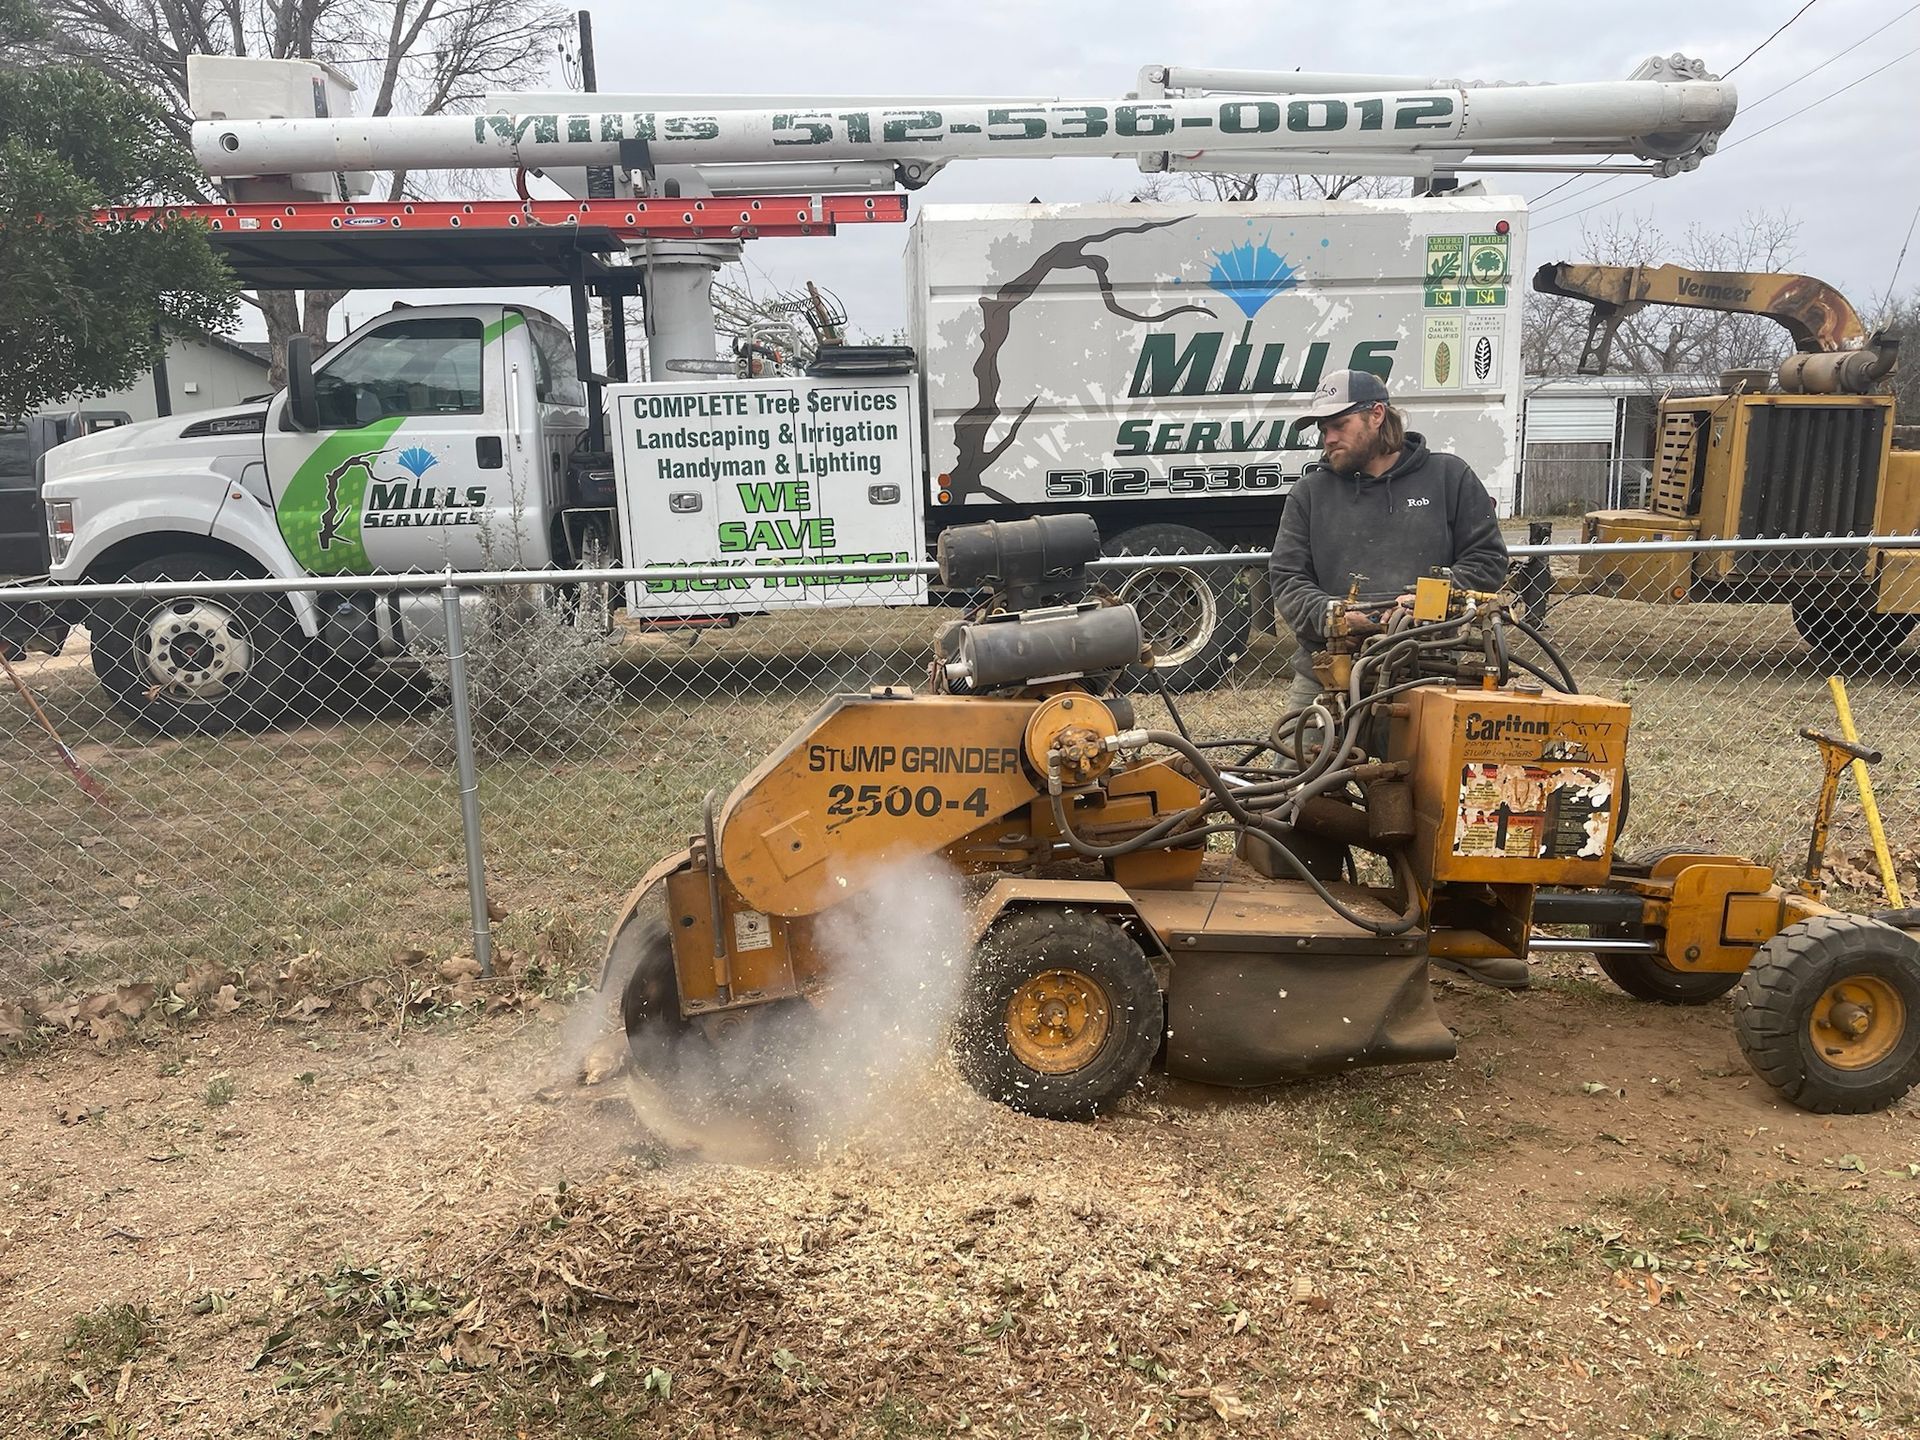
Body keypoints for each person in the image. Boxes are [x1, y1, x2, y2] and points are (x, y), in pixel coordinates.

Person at [1268, 368, 1521, 987]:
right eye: (1321, 427)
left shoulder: (1448, 478)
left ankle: (1467, 930)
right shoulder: (1310, 493)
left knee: (1461, 797)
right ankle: (1306, 923)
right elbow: (1286, 579)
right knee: (1288, 793)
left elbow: (1488, 560)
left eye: (1338, 423)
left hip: (1434, 670)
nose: (1327, 437)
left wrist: (1433, 600)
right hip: (1333, 674)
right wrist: (1334, 613)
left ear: (1377, 415)